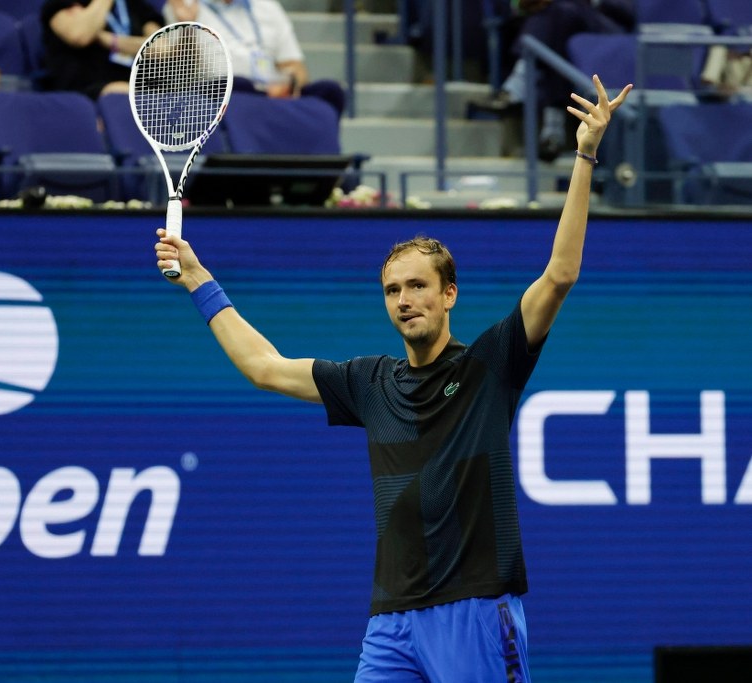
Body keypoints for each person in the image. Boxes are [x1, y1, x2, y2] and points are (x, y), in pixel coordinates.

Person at [154, 75, 631, 682]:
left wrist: (586, 153)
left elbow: (559, 274)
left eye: (418, 287)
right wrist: (199, 280)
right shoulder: (368, 382)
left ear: (449, 294)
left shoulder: (489, 364)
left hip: (477, 610)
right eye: (392, 290)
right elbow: (264, 368)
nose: (405, 300)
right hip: (392, 623)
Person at [471, 0, 635, 162]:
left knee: (553, 16)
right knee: (553, 19)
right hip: (559, 25)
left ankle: (518, 86)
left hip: (605, 28)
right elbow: (518, 6)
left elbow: (630, 12)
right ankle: (552, 129)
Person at [162, 0, 346, 117]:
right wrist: (187, 28)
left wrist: (289, 81)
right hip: (221, 95)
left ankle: (330, 176)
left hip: (272, 94)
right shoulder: (183, 7)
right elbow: (180, 71)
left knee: (330, 91)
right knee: (238, 85)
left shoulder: (268, 7)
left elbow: (295, 66)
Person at [41, 0, 164, 99]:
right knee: (120, 94)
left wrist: (109, 39)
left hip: (143, 84)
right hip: (88, 89)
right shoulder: (60, 4)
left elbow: (161, 48)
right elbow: (80, 35)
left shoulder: (135, 5)